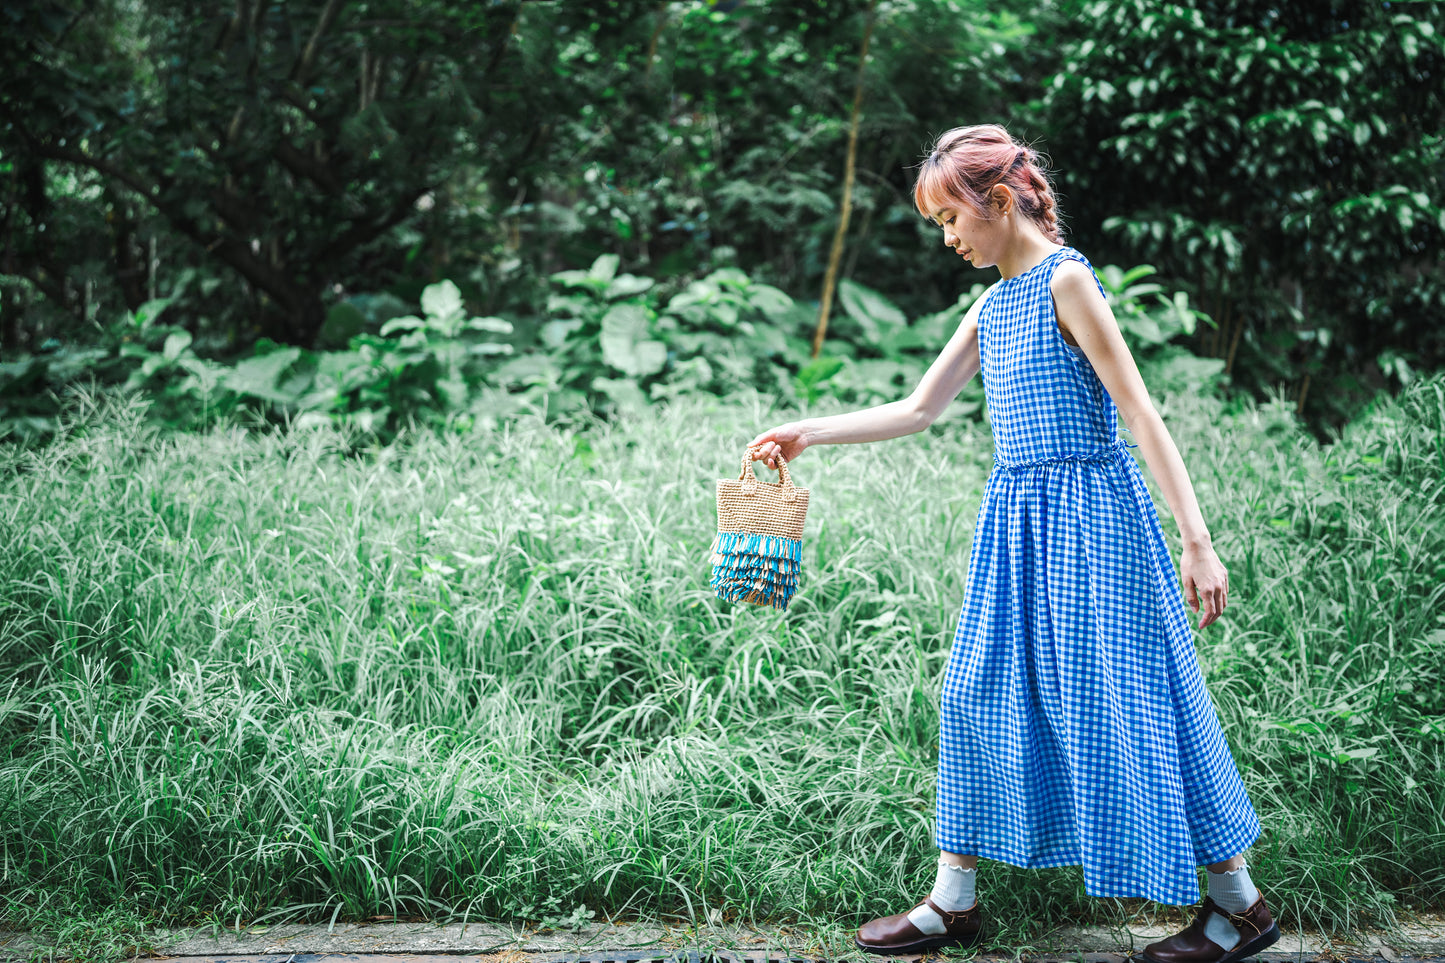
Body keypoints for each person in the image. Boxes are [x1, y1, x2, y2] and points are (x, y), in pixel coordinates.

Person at [746, 124, 1280, 963]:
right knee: (973, 694)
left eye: (951, 219)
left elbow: (1140, 411)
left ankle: (1238, 905)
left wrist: (1197, 540)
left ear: (998, 201)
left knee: (1131, 701)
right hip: (1019, 529)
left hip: (1096, 521)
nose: (949, 238)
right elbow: (917, 409)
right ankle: (950, 901)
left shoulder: (1067, 281)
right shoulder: (991, 304)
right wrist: (806, 433)